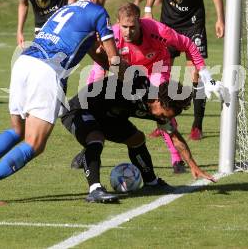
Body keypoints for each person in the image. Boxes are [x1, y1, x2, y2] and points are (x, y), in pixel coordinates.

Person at [0, 0, 126, 205]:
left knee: (18, 130)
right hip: (46, 71)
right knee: (35, 144)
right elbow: (113, 60)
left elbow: (93, 51)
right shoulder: (98, 12)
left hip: (23, 63)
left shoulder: (65, 9)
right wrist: (130, 77)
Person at [77, 2, 226, 174]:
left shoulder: (158, 30)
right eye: (124, 26)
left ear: (140, 22)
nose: (128, 32)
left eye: (132, 27)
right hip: (128, 69)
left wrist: (206, 76)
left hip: (156, 67)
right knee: (93, 102)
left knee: (161, 108)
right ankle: (89, 149)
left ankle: (176, 158)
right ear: (118, 23)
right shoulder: (112, 36)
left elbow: (188, 45)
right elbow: (101, 62)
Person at [61, 75, 217, 203]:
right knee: (96, 138)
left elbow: (174, 137)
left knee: (137, 138)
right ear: (158, 100)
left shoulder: (160, 107)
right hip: (79, 110)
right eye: (163, 115)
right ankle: (94, 190)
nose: (162, 119)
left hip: (108, 117)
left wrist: (193, 166)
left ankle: (151, 183)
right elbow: (118, 68)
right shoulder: (136, 87)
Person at [144, 0, 225, 141]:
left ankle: (197, 125)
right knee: (159, 73)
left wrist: (220, 19)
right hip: (167, 25)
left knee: (195, 74)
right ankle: (164, 122)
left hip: (193, 24)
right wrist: (148, 9)